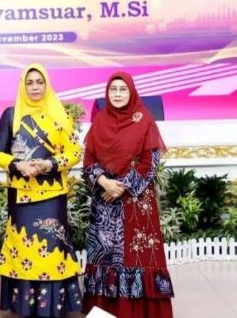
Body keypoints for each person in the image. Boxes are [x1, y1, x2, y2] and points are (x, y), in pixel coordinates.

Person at [82, 72, 174, 318]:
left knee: (138, 257)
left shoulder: (144, 120)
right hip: (105, 203)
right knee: (105, 257)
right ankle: (105, 312)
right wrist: (104, 182)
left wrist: (120, 186)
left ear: (131, 92)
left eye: (123, 89)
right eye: (113, 90)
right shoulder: (100, 121)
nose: (118, 94)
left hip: (135, 202)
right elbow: (89, 160)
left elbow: (150, 162)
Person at [0, 63, 84, 317]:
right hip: (21, 197)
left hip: (52, 196)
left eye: (39, 82)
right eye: (29, 82)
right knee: (24, 247)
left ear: (47, 85)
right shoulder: (11, 114)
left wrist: (50, 164)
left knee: (52, 246)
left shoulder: (60, 114)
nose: (34, 87)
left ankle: (52, 306)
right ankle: (25, 305)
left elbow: (75, 152)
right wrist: (18, 164)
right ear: (23, 85)